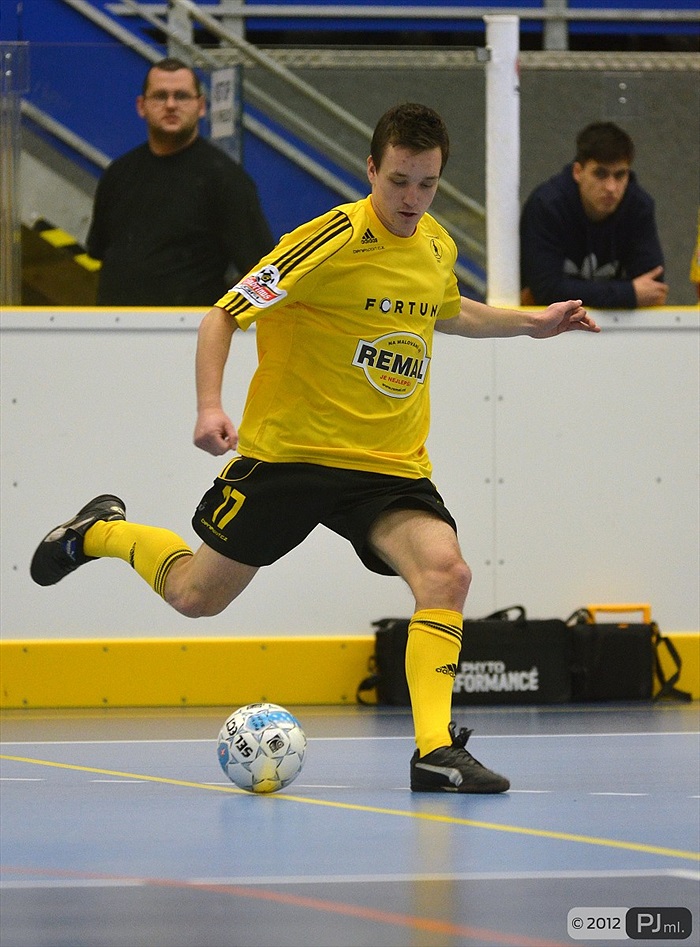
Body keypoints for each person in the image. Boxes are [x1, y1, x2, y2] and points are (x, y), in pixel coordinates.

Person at [31, 103, 600, 794]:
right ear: (370, 170)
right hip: (291, 456)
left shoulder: (436, 246)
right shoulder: (326, 240)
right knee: (193, 597)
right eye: (399, 182)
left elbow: (449, 311)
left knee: (446, 574)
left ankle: (433, 750)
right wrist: (211, 406)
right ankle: (102, 532)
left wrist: (530, 324)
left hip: (388, 466)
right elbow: (224, 314)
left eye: (426, 184)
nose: (412, 200)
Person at [86, 57, 274, 306]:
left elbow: (260, 271)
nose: (171, 105)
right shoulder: (118, 174)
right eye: (160, 96)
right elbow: (99, 250)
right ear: (141, 106)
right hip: (114, 331)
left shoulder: (226, 179)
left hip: (189, 333)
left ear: (201, 106)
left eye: (182, 96)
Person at [520, 121, 667, 309]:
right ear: (578, 172)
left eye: (620, 175)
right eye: (600, 174)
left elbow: (653, 290)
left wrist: (569, 290)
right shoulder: (547, 205)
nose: (611, 187)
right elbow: (545, 291)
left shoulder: (639, 207)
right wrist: (628, 293)